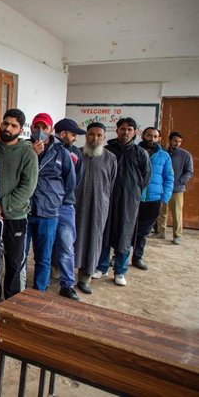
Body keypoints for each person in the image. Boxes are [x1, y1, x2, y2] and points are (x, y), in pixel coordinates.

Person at [94, 118, 150, 287]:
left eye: (130, 129)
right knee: (105, 233)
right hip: (107, 199)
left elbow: (145, 178)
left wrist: (131, 191)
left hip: (129, 201)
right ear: (117, 130)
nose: (126, 132)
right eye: (123, 129)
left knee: (124, 236)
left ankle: (120, 271)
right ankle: (102, 267)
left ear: (135, 132)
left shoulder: (140, 153)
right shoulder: (107, 150)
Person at [25, 113, 76, 294]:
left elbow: (70, 182)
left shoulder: (61, 152)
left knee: (44, 257)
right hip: (24, 210)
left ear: (51, 130)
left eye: (44, 128)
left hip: (48, 212)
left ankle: (39, 292)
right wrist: (33, 154)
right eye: (37, 127)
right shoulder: (24, 148)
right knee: (19, 256)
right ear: (31, 128)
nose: (40, 131)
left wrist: (55, 200)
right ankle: (18, 291)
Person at [0, 109, 38, 299]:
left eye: (13, 126)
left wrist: (3, 205)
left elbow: (27, 188)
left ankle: (11, 303)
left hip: (15, 217)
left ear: (20, 129)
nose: (8, 128)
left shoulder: (28, 154)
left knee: (13, 263)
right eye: (5, 123)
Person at [73, 122, 117, 294]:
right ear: (86, 136)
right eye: (91, 134)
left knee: (93, 239)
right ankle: (65, 275)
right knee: (70, 238)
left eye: (99, 135)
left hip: (99, 207)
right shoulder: (76, 154)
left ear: (104, 138)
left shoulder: (110, 158)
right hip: (75, 206)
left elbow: (110, 185)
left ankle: (85, 278)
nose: (95, 138)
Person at [49, 118, 86, 299]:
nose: (75, 138)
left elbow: (74, 182)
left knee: (66, 245)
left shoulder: (76, 154)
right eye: (73, 134)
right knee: (42, 247)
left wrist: (61, 198)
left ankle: (67, 284)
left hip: (64, 206)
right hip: (44, 206)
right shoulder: (47, 149)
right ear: (63, 134)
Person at [131, 127, 173, 271]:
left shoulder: (164, 156)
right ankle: (118, 256)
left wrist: (164, 199)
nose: (152, 139)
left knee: (143, 232)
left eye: (155, 136)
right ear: (143, 136)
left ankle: (137, 257)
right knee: (127, 229)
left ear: (159, 139)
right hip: (133, 198)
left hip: (153, 200)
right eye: (149, 135)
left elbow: (169, 178)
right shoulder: (133, 151)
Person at [155, 132, 194, 244]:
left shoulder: (186, 155)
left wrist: (179, 181)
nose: (177, 143)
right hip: (162, 188)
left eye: (180, 141)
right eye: (175, 141)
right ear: (170, 141)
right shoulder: (162, 153)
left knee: (177, 213)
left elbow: (189, 172)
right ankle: (160, 232)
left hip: (177, 190)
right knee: (162, 211)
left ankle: (177, 235)